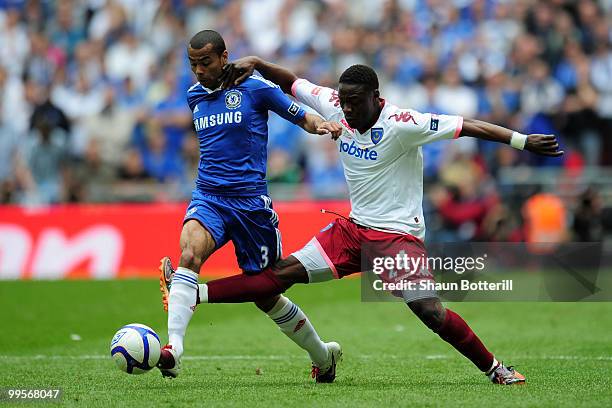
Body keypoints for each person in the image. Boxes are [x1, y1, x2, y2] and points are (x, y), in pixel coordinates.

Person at [159, 56, 562, 385]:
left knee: (430, 312)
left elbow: (468, 126)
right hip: (351, 231)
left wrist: (521, 141)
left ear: (376, 96)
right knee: (280, 274)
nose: (347, 109)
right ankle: (194, 294)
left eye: (355, 102)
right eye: (344, 102)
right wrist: (259, 63)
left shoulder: (405, 124)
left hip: (397, 239)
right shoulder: (334, 104)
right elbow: (291, 82)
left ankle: (496, 369)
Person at [157, 31, 344, 381]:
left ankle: (322, 355)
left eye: (206, 62)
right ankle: (174, 349)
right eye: (193, 64)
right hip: (209, 196)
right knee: (188, 255)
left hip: (251, 206)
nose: (198, 70)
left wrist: (322, 125)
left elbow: (300, 115)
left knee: (266, 293)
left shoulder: (255, 87)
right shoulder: (193, 95)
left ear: (224, 57)